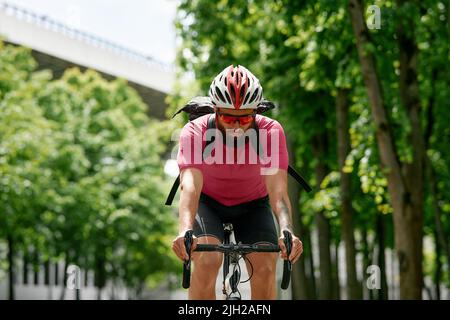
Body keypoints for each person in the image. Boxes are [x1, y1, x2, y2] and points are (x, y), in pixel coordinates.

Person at [171, 64, 303, 300]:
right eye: (227, 117)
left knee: (265, 265)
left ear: (256, 112)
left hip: (253, 204)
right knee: (207, 260)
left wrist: (287, 230)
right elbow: (189, 185)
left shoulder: (270, 132)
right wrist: (185, 230)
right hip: (208, 203)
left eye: (244, 120)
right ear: (214, 110)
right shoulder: (194, 131)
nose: (235, 126)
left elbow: (279, 193)